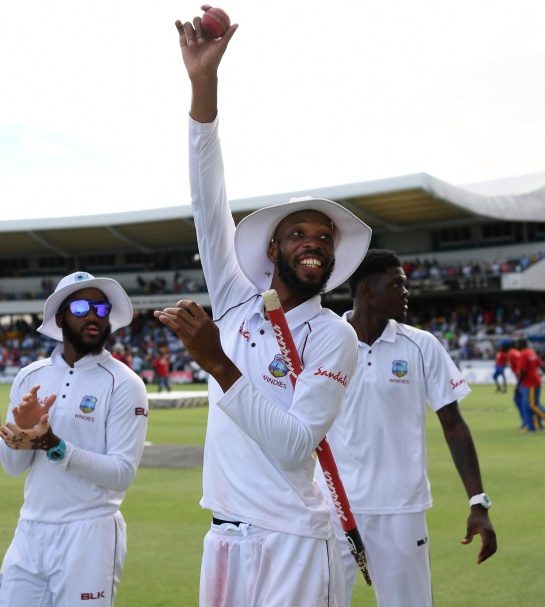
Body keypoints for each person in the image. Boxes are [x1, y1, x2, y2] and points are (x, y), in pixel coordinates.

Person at [155, 11, 372, 606]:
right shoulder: (236, 300)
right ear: (273, 248)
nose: (314, 244)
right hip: (225, 535)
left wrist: (218, 364)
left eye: (325, 238)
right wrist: (203, 85)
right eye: (301, 234)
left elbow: (295, 445)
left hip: (295, 542)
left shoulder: (334, 336)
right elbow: (208, 197)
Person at [322, 249, 497, 606]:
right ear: (367, 291)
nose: (406, 292)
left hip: (402, 510)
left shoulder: (422, 345)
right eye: (397, 284)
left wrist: (478, 501)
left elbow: (454, 427)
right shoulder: (323, 342)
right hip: (334, 509)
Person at [0, 271, 148, 606]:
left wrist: (54, 445)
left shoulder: (124, 383)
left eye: (101, 308)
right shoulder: (30, 376)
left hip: (90, 534)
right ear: (60, 317)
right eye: (81, 307)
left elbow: (122, 473)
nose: (93, 315)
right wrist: (21, 434)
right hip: (30, 530)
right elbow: (11, 466)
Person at [516, 338, 545, 430]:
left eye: (517, 345)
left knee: (533, 405)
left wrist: (518, 385)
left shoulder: (523, 354)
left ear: (520, 345)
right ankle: (534, 425)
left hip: (530, 384)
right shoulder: (531, 352)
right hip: (535, 382)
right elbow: (541, 365)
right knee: (531, 405)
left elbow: (522, 371)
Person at [506, 340, 532, 430]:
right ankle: (528, 422)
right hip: (524, 380)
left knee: (523, 402)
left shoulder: (511, 353)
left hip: (524, 381)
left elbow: (521, 368)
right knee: (525, 401)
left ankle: (527, 422)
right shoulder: (514, 353)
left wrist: (519, 384)